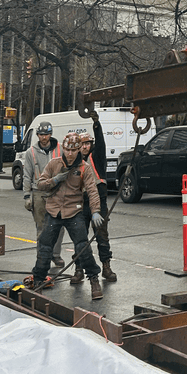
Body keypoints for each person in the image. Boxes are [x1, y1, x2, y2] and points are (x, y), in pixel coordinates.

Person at [31, 132, 104, 301]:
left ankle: (94, 279)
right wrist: (54, 180)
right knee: (45, 248)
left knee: (82, 247)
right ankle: (38, 281)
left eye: (74, 150)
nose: (70, 154)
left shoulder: (85, 168)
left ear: (79, 150)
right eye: (67, 150)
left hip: (74, 211)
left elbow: (92, 192)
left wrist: (95, 212)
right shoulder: (53, 164)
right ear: (63, 148)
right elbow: (41, 184)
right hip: (54, 210)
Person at [71, 115, 117, 285]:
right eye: (83, 144)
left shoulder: (96, 158)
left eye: (88, 144)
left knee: (102, 236)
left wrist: (96, 124)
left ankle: (106, 266)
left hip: (99, 203)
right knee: (80, 237)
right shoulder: (75, 162)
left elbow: (101, 142)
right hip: (80, 204)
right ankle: (78, 268)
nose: (85, 147)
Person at [22, 120, 65, 268]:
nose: (43, 137)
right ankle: (42, 257)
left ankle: (55, 255)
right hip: (39, 193)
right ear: (37, 135)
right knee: (41, 227)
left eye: (46, 134)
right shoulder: (31, 153)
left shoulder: (60, 149)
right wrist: (27, 196)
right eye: (40, 134)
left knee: (59, 226)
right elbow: (27, 175)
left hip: (57, 193)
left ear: (50, 134)